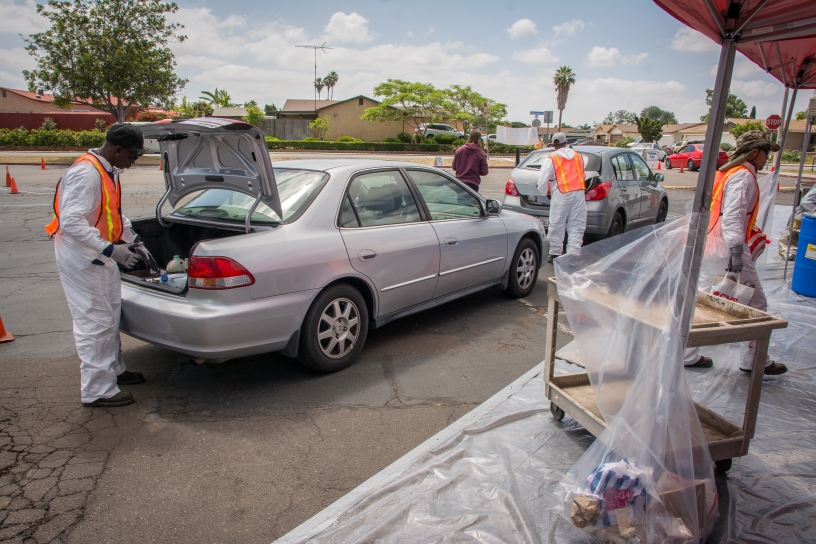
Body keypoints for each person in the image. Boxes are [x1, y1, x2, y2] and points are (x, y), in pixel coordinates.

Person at [46, 124, 150, 407]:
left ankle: (113, 371)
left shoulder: (107, 171)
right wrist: (111, 250)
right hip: (82, 256)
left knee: (110, 315)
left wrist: (134, 240)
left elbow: (113, 213)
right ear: (117, 149)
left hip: (100, 253)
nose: (133, 163)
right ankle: (97, 390)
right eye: (133, 156)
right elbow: (71, 222)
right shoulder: (86, 173)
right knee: (95, 321)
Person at [684, 131, 787, 375]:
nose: (767, 157)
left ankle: (686, 352)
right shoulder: (743, 176)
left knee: (703, 297)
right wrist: (737, 253)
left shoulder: (729, 172)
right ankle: (754, 360)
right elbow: (732, 217)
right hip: (725, 246)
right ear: (754, 152)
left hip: (711, 242)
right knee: (757, 301)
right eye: (766, 152)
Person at [537, 132, 587, 264]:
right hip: (578, 193)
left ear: (554, 145)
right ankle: (573, 253)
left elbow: (542, 179)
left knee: (557, 223)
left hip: (561, 192)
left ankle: (554, 252)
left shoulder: (552, 158)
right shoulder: (578, 156)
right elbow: (583, 174)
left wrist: (545, 192)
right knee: (577, 224)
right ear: (566, 142)